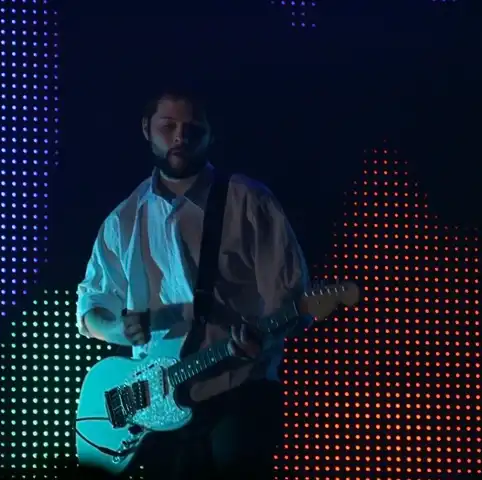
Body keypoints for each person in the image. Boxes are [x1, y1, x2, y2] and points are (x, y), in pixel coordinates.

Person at [75, 87, 312, 479]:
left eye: (193, 129)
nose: (180, 137)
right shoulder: (123, 219)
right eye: (168, 126)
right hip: (155, 410)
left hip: (238, 391)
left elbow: (292, 302)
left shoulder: (249, 202)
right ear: (147, 129)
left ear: (211, 134)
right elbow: (91, 308)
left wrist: (262, 339)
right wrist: (119, 329)